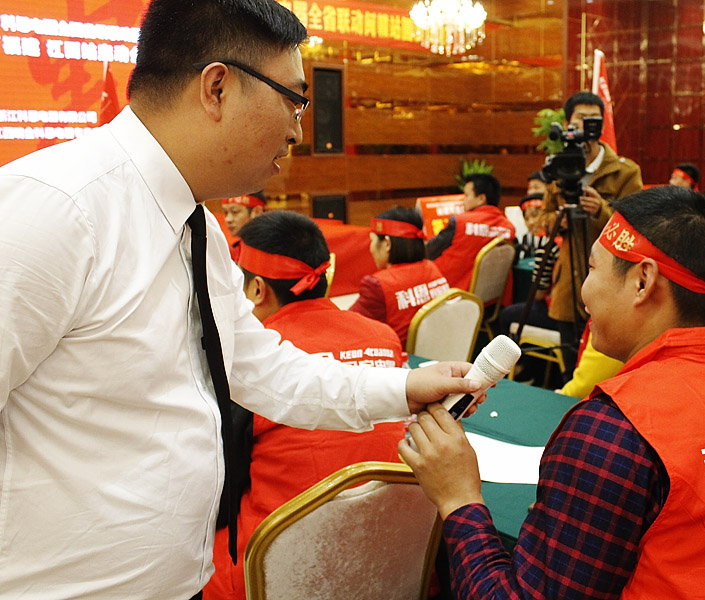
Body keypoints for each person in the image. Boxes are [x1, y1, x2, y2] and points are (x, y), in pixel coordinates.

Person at [0, 1, 478, 596]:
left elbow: (258, 368)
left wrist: (403, 388)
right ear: (218, 88)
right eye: (293, 99)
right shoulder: (55, 210)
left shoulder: (196, 223)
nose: (298, 129)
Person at [401, 186, 705, 599]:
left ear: (642, 281)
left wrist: (459, 498)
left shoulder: (613, 430)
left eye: (592, 268)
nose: (583, 291)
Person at [205, 211, 407, 600]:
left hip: (279, 569)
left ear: (257, 289)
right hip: (389, 560)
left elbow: (220, 482)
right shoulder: (384, 336)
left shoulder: (249, 364)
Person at [540, 90, 643, 378]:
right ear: (567, 124)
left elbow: (637, 229)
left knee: (603, 373)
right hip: (568, 284)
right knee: (568, 370)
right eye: (579, 119)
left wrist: (602, 211)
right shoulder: (559, 167)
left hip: (613, 286)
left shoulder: (625, 172)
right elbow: (543, 218)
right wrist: (557, 221)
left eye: (592, 120)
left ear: (601, 125)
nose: (585, 127)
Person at [350, 207, 450, 345]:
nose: (370, 248)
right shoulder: (432, 269)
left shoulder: (378, 285)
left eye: (372, 240)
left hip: (399, 356)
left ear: (387, 244)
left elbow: (349, 327)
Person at [427, 173, 514, 290]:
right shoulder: (509, 228)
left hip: (450, 293)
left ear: (481, 199)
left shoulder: (459, 222)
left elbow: (429, 251)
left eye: (467, 195)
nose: (463, 201)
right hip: (489, 296)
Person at [222, 191, 266, 260]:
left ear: (257, 212)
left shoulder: (271, 249)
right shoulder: (233, 252)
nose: (228, 219)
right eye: (225, 213)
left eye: (235, 212)